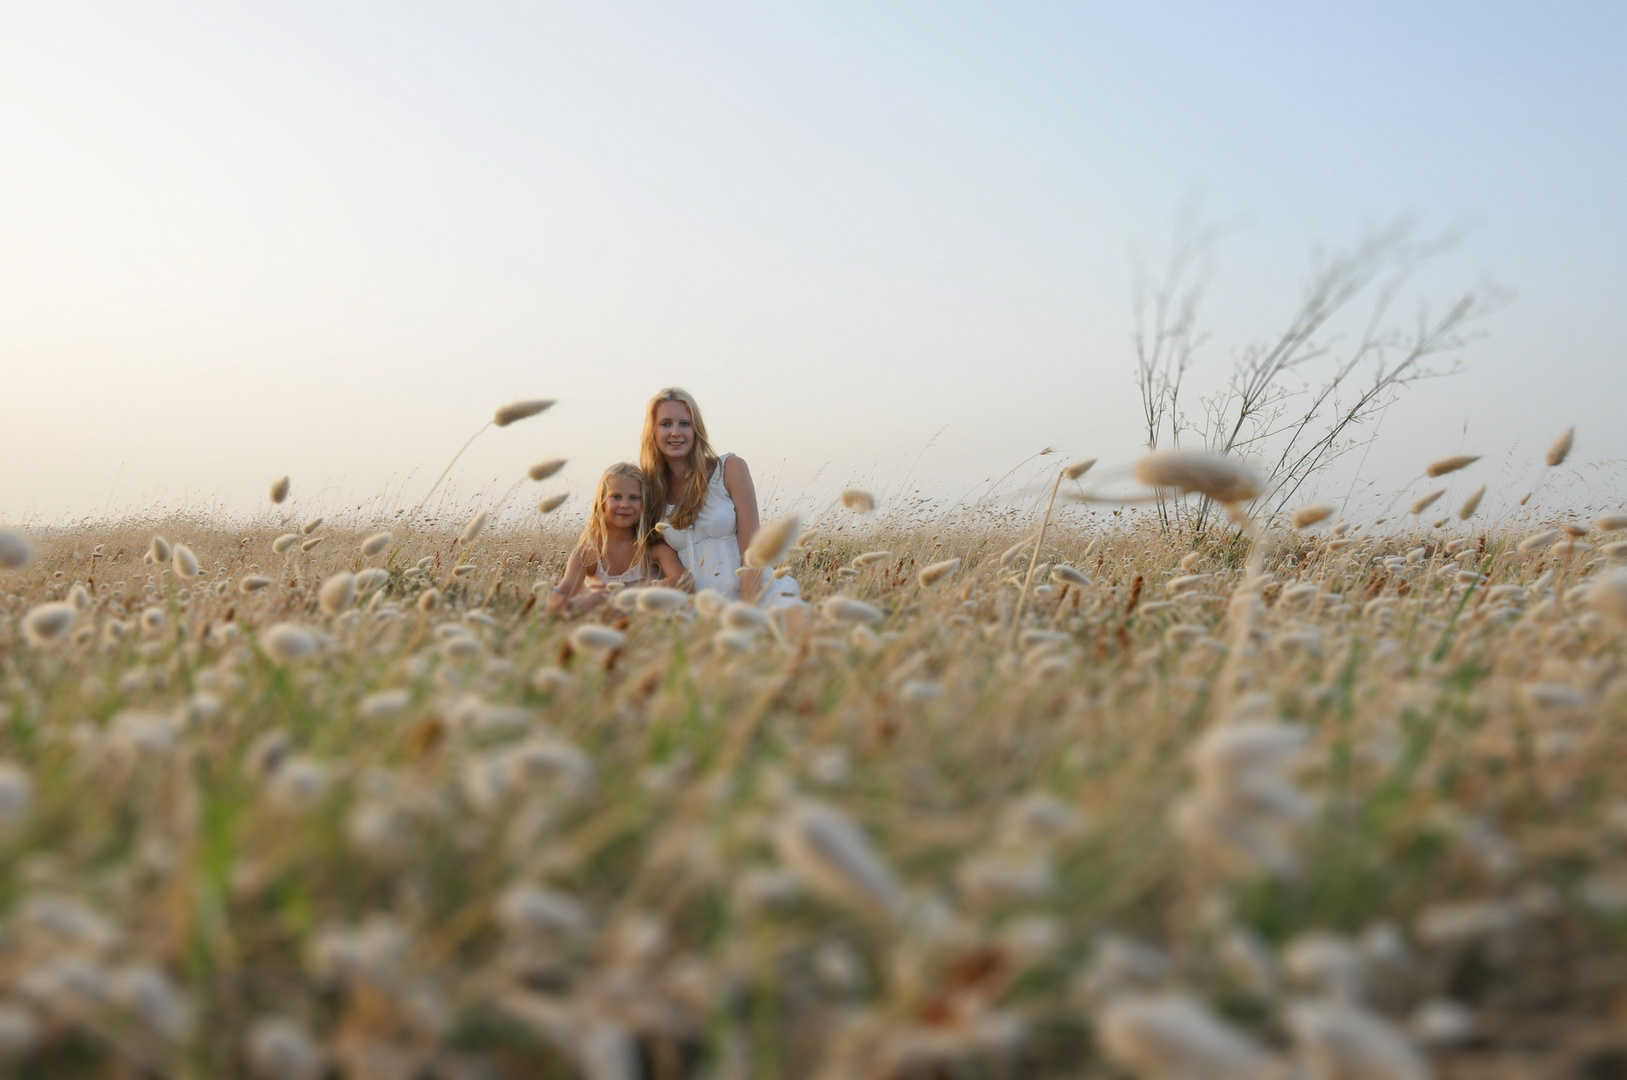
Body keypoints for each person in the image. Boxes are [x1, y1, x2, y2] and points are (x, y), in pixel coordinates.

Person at [640, 387, 802, 607]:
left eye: (684, 423)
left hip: (755, 594)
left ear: (696, 428)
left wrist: (747, 607)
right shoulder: (650, 491)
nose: (675, 432)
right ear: (653, 432)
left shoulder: (730, 469)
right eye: (666, 424)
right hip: (699, 609)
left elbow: (752, 549)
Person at [549, 463, 684, 614]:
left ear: (644, 504)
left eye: (634, 497)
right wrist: (568, 603)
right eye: (616, 497)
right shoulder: (587, 554)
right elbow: (564, 590)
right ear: (602, 502)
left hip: (643, 629)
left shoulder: (654, 549)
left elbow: (685, 582)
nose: (625, 504)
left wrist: (635, 592)